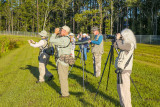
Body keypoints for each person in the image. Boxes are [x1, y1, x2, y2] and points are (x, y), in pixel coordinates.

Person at [114, 28, 137, 107]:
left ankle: (127, 105)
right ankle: (123, 104)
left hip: (125, 70)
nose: (121, 37)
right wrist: (116, 40)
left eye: (122, 35)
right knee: (120, 90)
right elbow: (116, 46)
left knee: (125, 90)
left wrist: (118, 39)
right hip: (121, 70)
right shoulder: (125, 44)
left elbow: (120, 46)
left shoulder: (129, 44)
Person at [50, 26, 71, 97]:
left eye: (61, 30)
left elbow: (51, 40)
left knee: (63, 77)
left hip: (63, 59)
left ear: (65, 31)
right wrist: (58, 34)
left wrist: (55, 33)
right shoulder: (66, 38)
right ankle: (64, 90)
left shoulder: (64, 39)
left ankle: (65, 94)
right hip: (66, 58)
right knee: (64, 76)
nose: (60, 31)